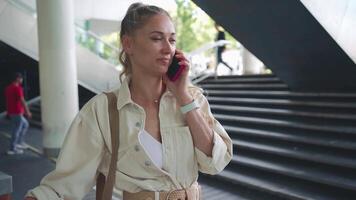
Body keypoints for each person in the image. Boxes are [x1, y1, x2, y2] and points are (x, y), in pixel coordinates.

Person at [25, 3, 232, 200]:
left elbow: (215, 162)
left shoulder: (192, 99)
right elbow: (64, 185)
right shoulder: (103, 110)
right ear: (128, 44)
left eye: (172, 40)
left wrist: (184, 97)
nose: (168, 48)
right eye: (156, 38)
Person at [5, 72, 32, 155]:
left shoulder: (8, 88)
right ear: (17, 78)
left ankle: (19, 142)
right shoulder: (18, 88)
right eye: (21, 78)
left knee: (25, 125)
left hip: (12, 111)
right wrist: (27, 111)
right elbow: (22, 100)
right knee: (16, 130)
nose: (22, 80)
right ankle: (12, 148)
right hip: (17, 112)